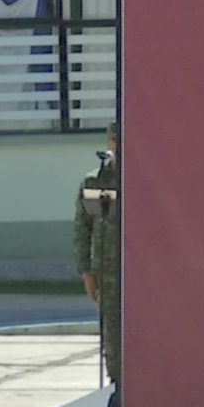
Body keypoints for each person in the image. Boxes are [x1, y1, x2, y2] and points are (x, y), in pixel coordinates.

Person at [74, 122, 121, 385]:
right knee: (112, 338)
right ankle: (117, 390)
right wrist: (86, 271)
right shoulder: (96, 181)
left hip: (142, 275)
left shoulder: (146, 180)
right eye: (115, 142)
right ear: (108, 145)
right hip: (108, 275)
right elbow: (84, 229)